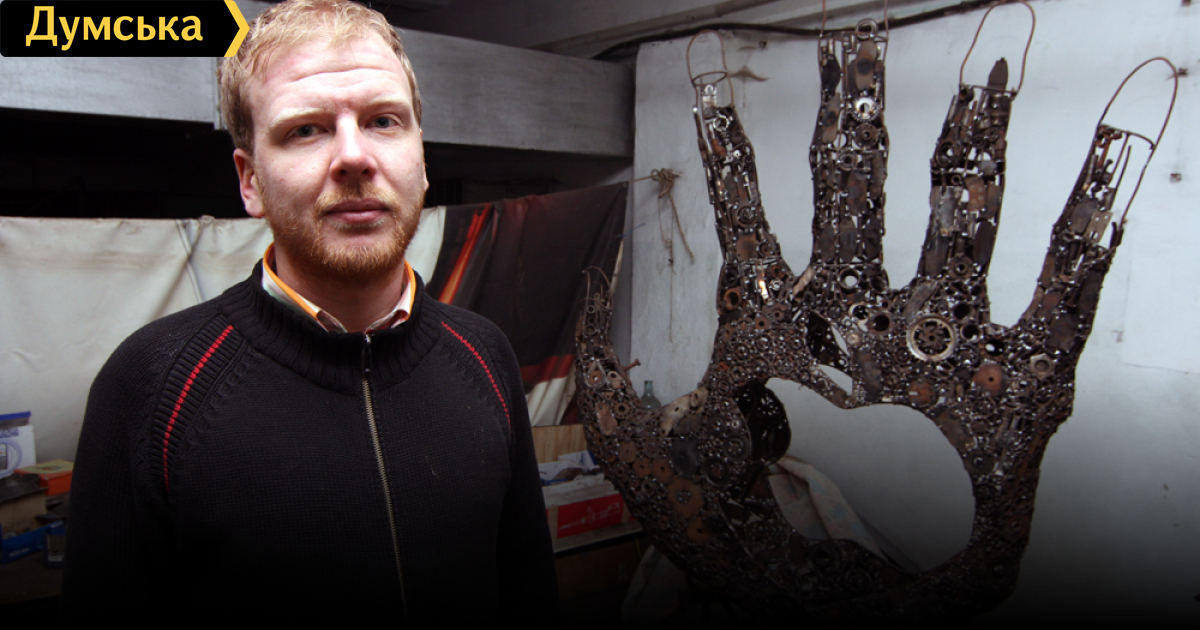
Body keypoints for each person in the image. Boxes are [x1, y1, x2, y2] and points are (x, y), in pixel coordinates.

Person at [61, 0, 558, 621]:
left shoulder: (484, 356)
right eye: (305, 130)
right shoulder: (152, 387)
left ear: (422, 159)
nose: (354, 156)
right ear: (250, 181)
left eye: (383, 121)